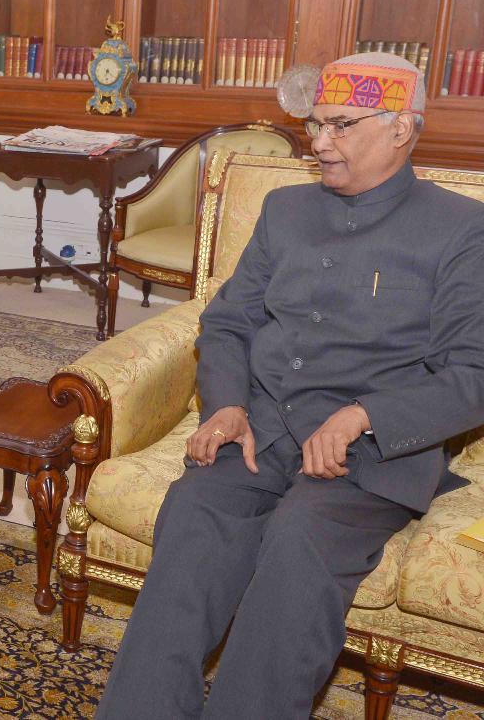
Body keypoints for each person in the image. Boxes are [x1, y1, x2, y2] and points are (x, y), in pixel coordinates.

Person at [95, 52, 484, 719]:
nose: (320, 143)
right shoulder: (285, 210)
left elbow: (472, 374)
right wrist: (226, 406)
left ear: (401, 128)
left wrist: (363, 415)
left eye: (341, 125)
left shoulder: (462, 229)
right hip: (260, 433)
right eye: (314, 124)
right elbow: (228, 323)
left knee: (298, 544)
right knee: (194, 514)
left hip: (369, 459)